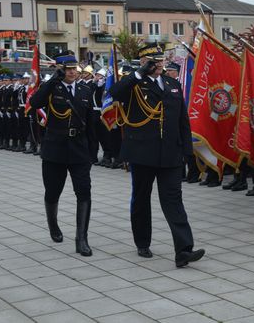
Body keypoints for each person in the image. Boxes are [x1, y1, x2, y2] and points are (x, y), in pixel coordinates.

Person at [109, 43, 204, 267]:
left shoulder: (172, 83)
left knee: (173, 200)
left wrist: (186, 151)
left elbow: (182, 118)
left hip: (170, 153)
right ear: (143, 62)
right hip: (142, 152)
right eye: (153, 61)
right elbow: (115, 93)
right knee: (141, 198)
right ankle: (142, 242)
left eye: (160, 60)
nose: (159, 65)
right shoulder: (134, 83)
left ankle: (183, 250)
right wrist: (139, 73)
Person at [29, 54, 94, 257]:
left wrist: (92, 152)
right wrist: (52, 81)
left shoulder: (85, 89)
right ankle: (53, 225)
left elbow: (91, 122)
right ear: (60, 70)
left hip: (79, 148)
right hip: (55, 148)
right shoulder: (52, 88)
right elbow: (35, 102)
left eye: (74, 68)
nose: (72, 72)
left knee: (84, 192)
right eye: (67, 69)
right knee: (53, 191)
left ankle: (81, 238)